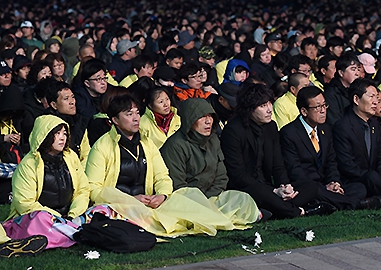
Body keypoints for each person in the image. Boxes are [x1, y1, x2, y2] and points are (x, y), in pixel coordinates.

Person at [86, 95, 247, 237]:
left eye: (137, 113)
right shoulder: (102, 147)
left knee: (198, 201)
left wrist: (162, 195)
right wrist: (130, 200)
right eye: (129, 114)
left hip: (149, 204)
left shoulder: (146, 143)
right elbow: (94, 189)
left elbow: (163, 176)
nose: (136, 118)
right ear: (115, 120)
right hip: (119, 206)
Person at [220, 83, 332, 218]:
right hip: (246, 187)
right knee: (260, 192)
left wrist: (285, 187)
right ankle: (301, 211)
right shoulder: (233, 130)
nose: (269, 109)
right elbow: (238, 175)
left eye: (269, 104)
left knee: (309, 186)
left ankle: (273, 210)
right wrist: (273, 190)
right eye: (262, 106)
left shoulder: (271, 126)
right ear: (249, 110)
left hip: (269, 186)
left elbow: (278, 165)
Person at [160, 98, 260, 225]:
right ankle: (220, 216)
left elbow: (221, 177)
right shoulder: (175, 146)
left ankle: (217, 215)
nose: (208, 121)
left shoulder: (213, 140)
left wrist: (209, 200)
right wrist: (202, 202)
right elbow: (178, 186)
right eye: (202, 117)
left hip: (213, 198)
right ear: (190, 119)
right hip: (188, 201)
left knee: (242, 197)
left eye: (210, 116)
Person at [5, 115, 91, 249]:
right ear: (44, 136)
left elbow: (83, 190)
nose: (63, 138)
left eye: (64, 133)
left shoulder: (71, 157)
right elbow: (25, 203)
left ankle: (69, 231)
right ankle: (74, 232)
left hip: (70, 216)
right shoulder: (29, 164)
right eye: (57, 134)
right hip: (41, 219)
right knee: (39, 218)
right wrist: (57, 218)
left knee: (102, 209)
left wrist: (73, 214)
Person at [280, 86, 367, 210]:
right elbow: (295, 171)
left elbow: (331, 162)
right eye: (317, 107)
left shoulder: (325, 129)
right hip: (307, 186)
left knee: (359, 188)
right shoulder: (289, 133)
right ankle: (352, 204)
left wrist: (334, 183)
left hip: (325, 185)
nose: (323, 111)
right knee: (314, 191)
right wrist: (324, 188)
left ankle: (332, 202)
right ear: (304, 111)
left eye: (324, 105)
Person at [324, 52, 362, 126]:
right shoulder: (331, 93)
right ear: (341, 73)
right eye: (353, 69)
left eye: (358, 69)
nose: (357, 73)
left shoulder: (359, 89)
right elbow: (334, 122)